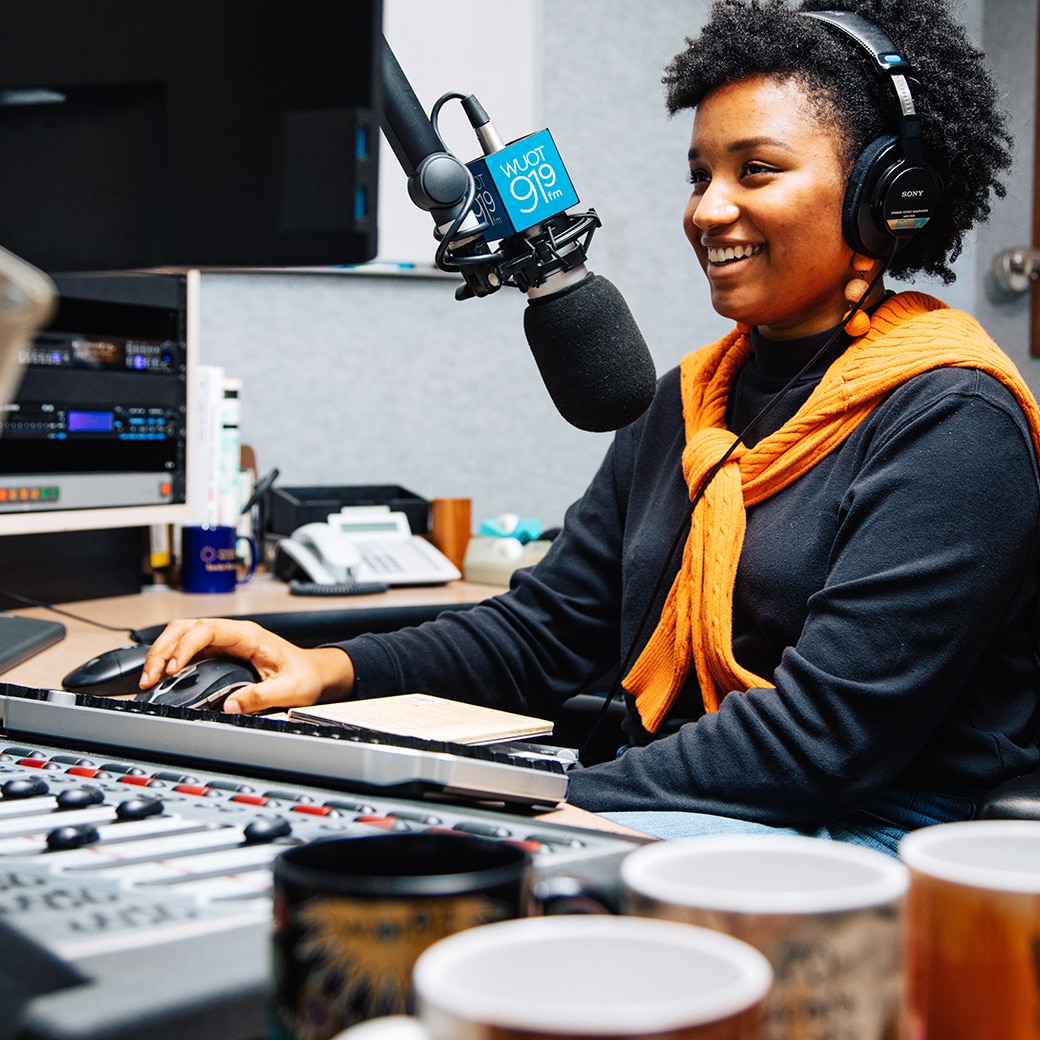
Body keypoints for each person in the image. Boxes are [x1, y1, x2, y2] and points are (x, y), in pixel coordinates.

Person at [142, 0, 1039, 854]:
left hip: (886, 830)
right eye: (700, 175)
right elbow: (541, 633)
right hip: (699, 803)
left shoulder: (952, 420)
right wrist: (324, 668)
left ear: (887, 193)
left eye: (754, 170)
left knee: (466, 872)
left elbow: (822, 742)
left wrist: (546, 801)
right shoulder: (686, 403)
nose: (707, 210)